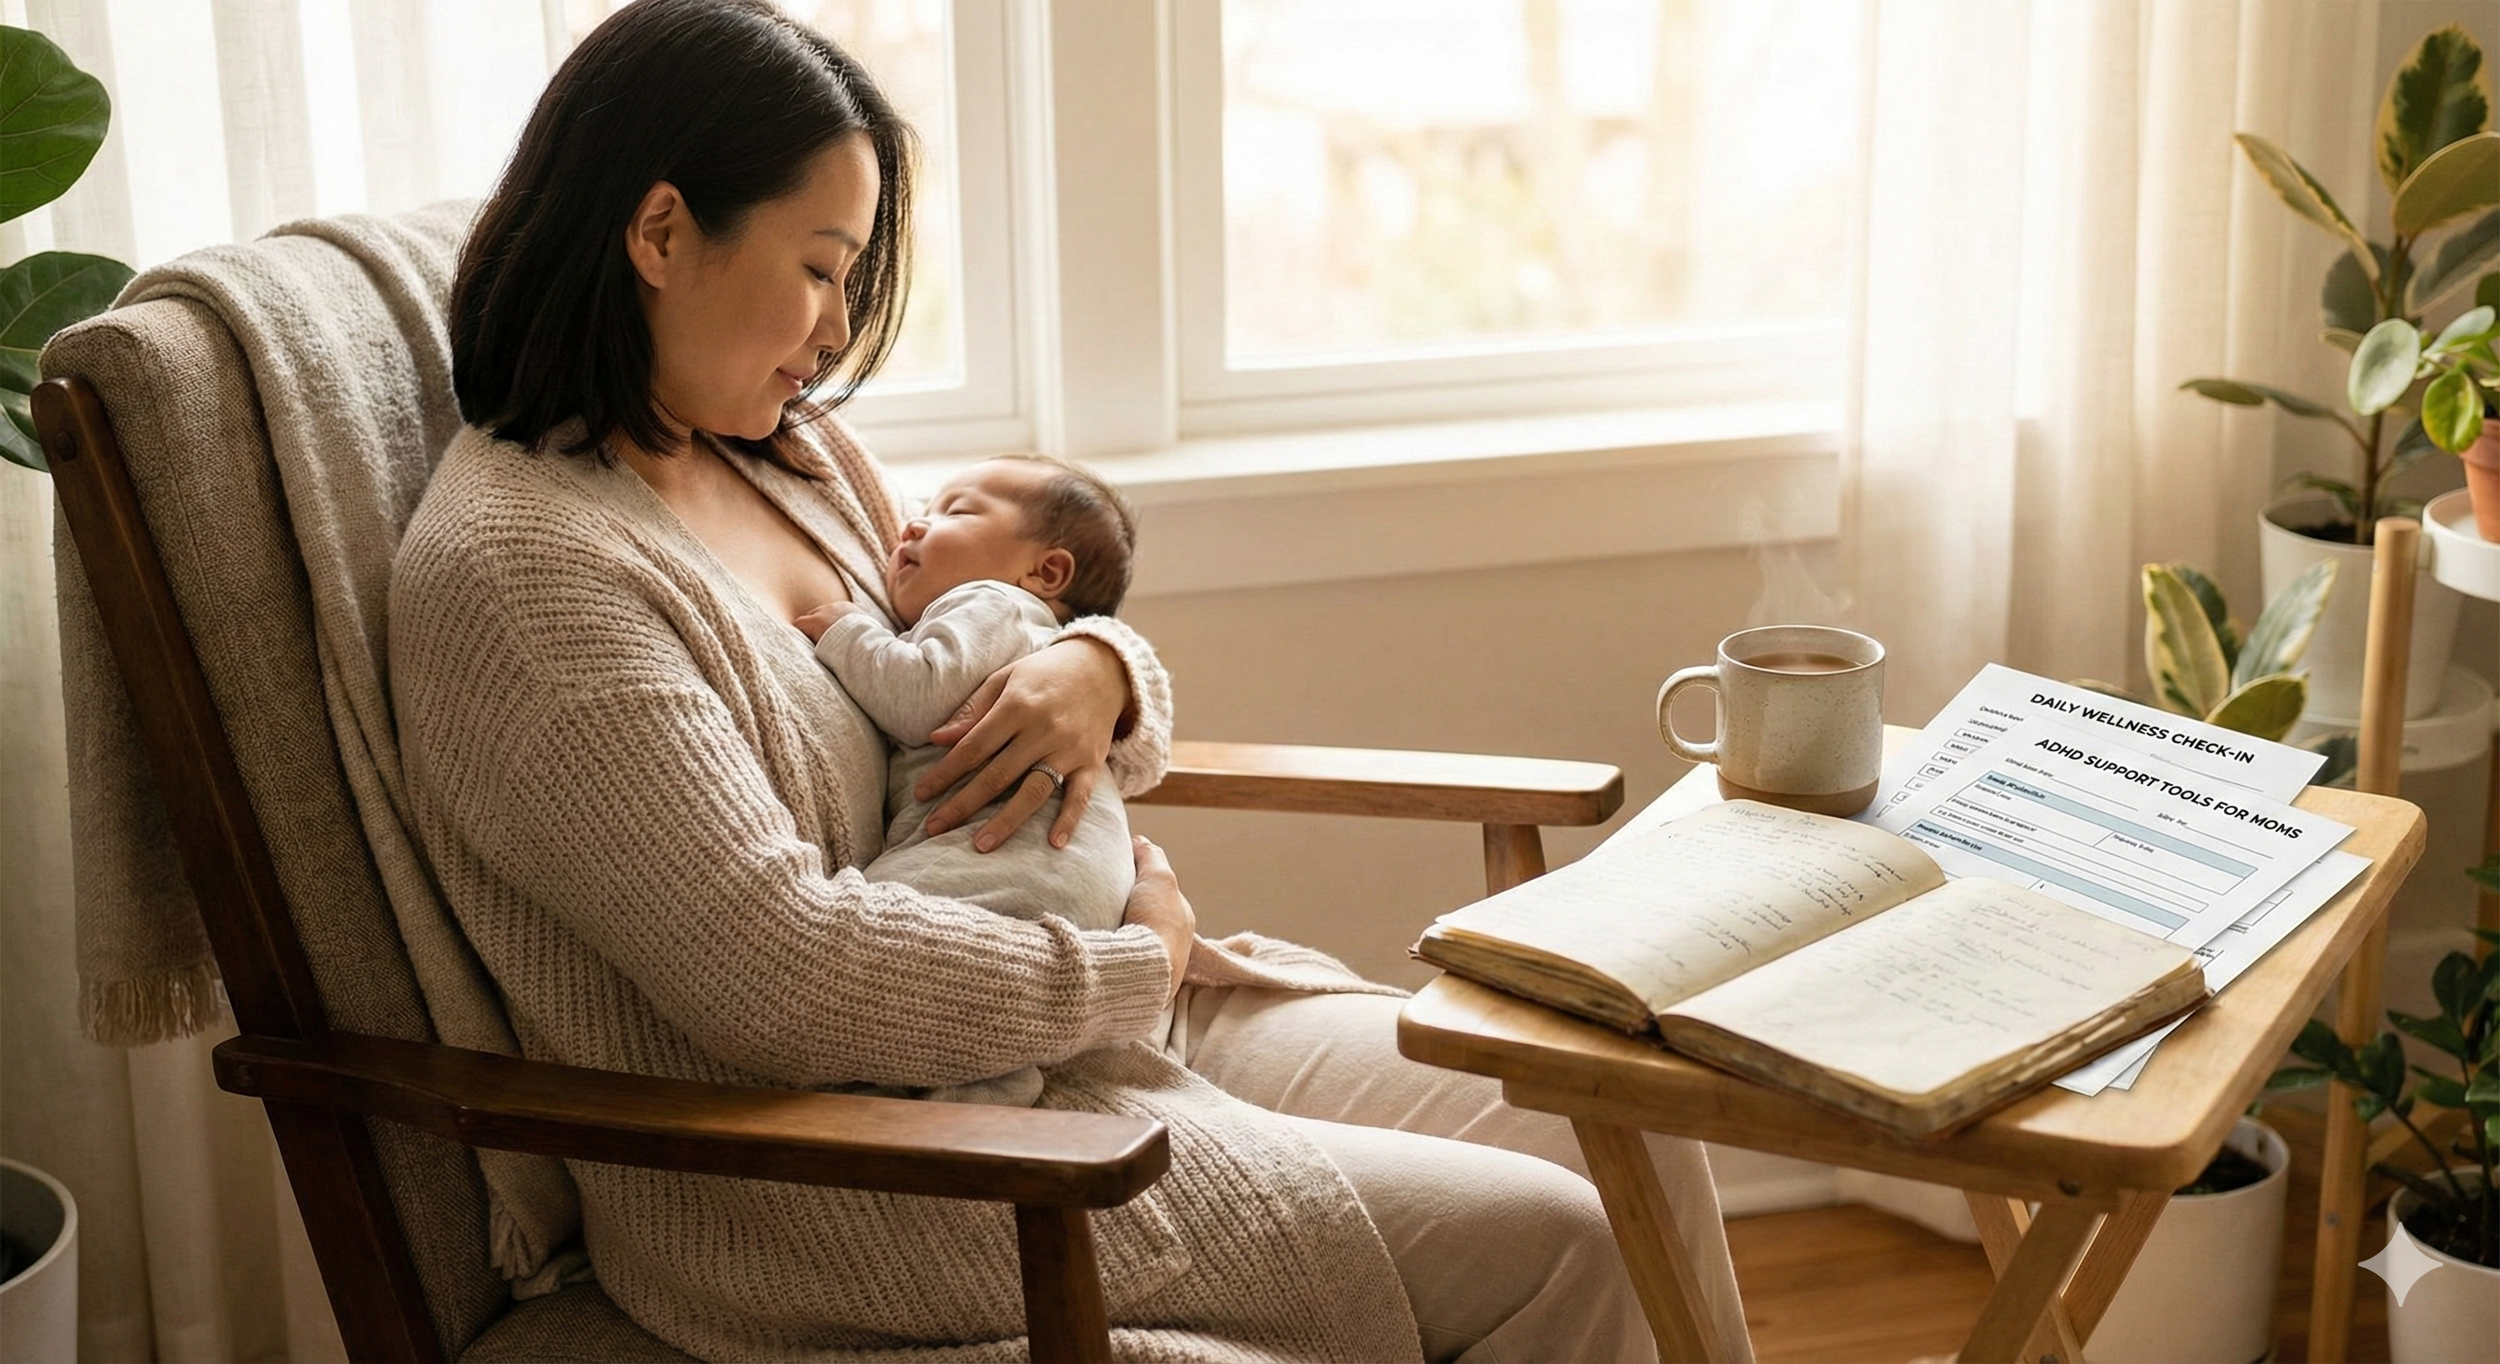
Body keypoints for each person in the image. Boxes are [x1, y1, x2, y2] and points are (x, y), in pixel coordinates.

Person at [392, 1, 1753, 1359]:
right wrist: (1123, 968)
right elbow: (781, 980)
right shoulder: (530, 581)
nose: (836, 328)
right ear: (662, 232)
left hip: (1063, 1027)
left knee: (1618, 1117)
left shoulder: (775, 448)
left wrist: (1104, 667)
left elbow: (1008, 616)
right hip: (846, 1165)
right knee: (1561, 1242)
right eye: (820, 267)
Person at [795, 454, 1139, 936]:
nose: (912, 525)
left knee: (851, 932)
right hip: (1075, 883)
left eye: (955, 513)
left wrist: (848, 634)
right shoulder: (1028, 634)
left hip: (991, 865)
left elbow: (921, 703)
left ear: (1045, 573)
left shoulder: (992, 602)